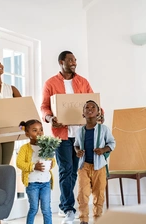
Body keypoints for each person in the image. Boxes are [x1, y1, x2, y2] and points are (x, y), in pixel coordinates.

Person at [40, 50, 104, 224]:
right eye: (70, 60)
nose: (74, 62)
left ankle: (64, 204)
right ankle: (68, 208)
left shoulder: (82, 81)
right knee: (65, 170)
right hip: (62, 135)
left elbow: (94, 103)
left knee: (75, 170)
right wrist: (50, 118)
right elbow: (45, 107)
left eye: (75, 60)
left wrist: (101, 113)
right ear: (61, 62)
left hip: (82, 135)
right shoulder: (51, 83)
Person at [74, 100, 115, 224]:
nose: (90, 109)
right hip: (84, 166)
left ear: (98, 113)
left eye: (93, 107)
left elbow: (112, 143)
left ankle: (98, 218)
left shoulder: (104, 129)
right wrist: (78, 151)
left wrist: (103, 149)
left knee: (99, 194)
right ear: (83, 114)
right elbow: (76, 145)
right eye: (87, 107)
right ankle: (84, 220)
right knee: (82, 194)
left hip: (99, 167)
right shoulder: (80, 131)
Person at [16, 119, 56, 224]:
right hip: (32, 183)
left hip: (46, 183)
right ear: (27, 134)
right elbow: (19, 163)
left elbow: (52, 160)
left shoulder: (46, 145)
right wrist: (34, 166)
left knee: (46, 209)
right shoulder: (24, 148)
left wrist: (52, 163)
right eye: (35, 130)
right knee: (33, 208)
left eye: (41, 129)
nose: (39, 132)